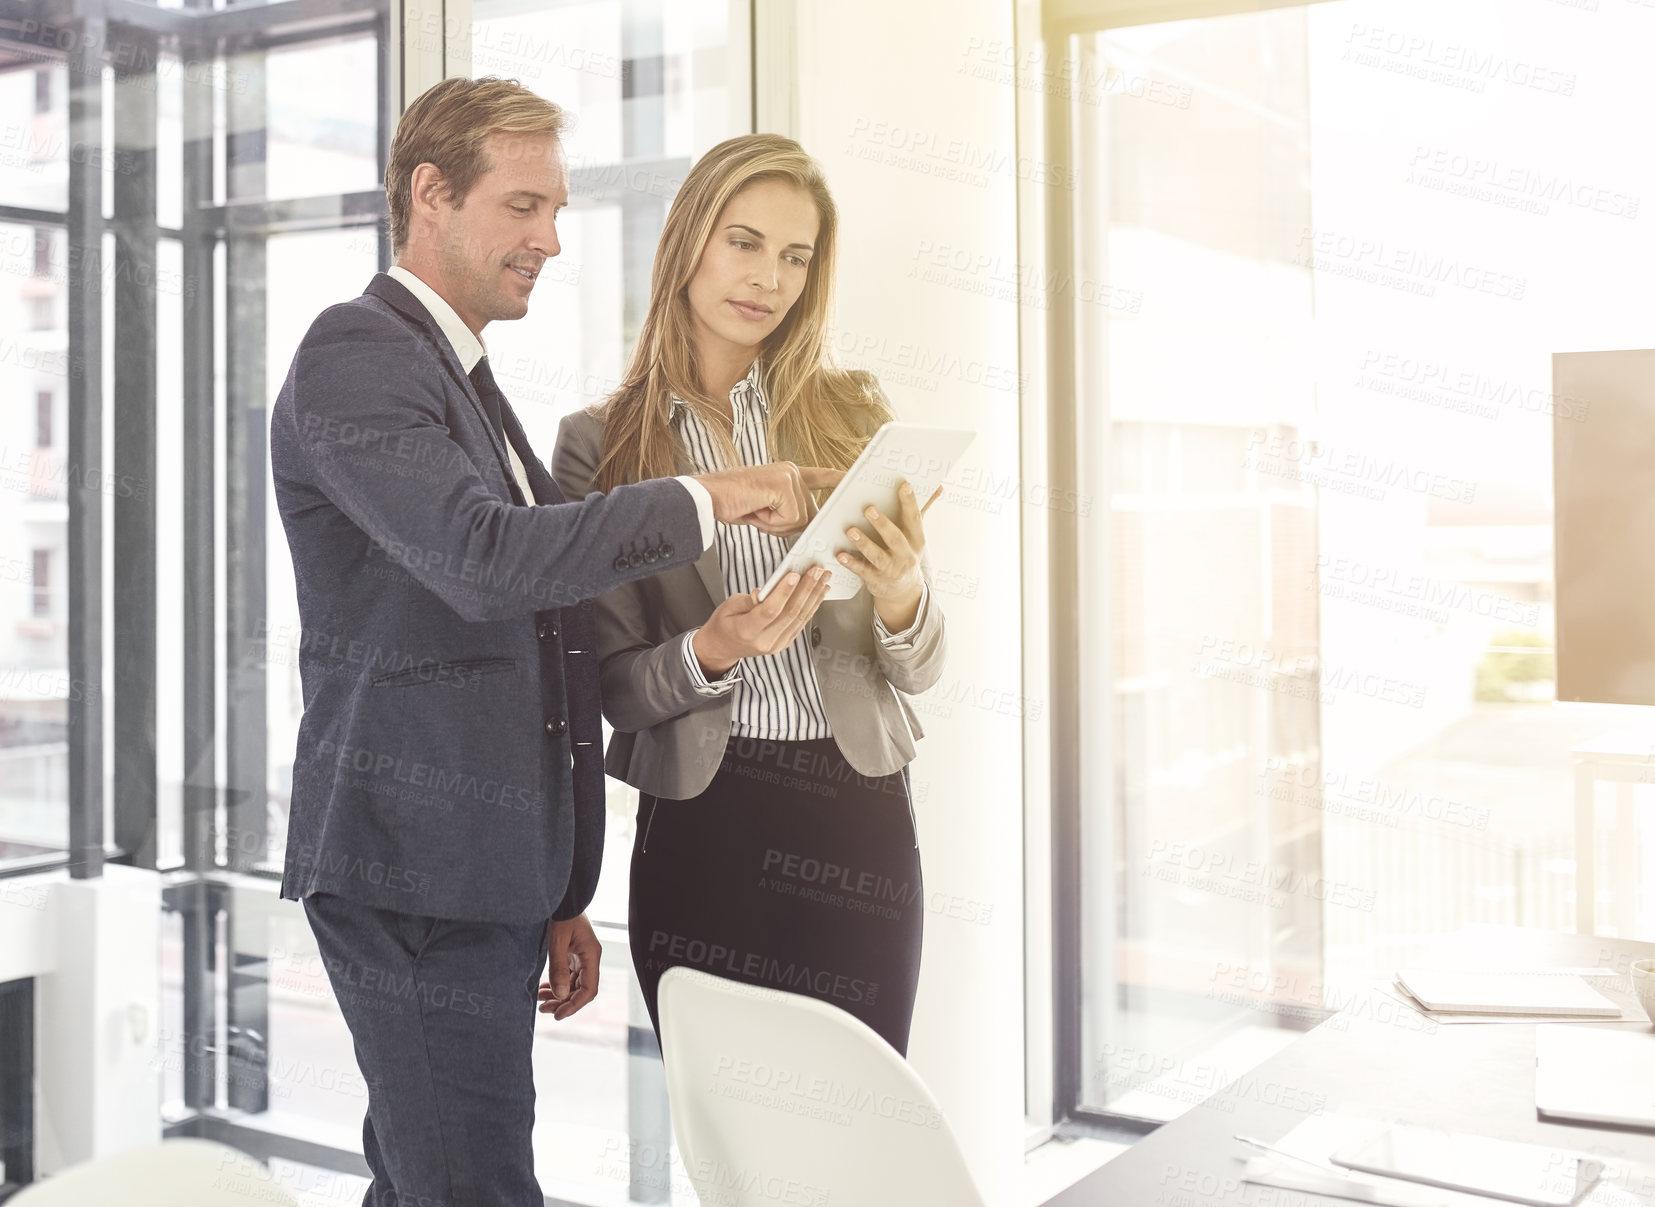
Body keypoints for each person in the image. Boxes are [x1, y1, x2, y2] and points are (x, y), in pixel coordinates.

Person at [268, 78, 841, 1207]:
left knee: (427, 1175)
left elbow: (539, 649)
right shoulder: (356, 351)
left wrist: (556, 885)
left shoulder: (464, 383)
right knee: (472, 1183)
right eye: (524, 206)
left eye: (558, 208)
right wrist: (705, 496)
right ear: (430, 194)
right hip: (413, 872)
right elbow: (487, 563)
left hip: (477, 876)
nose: (551, 239)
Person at [551, 133, 947, 1058]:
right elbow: (610, 686)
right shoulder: (598, 445)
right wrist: (711, 650)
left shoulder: (854, 414)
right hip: (704, 822)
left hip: (860, 817)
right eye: (744, 241)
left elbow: (924, 664)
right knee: (734, 1144)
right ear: (687, 241)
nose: (768, 276)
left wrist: (902, 594)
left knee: (862, 1125)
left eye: (795, 256)